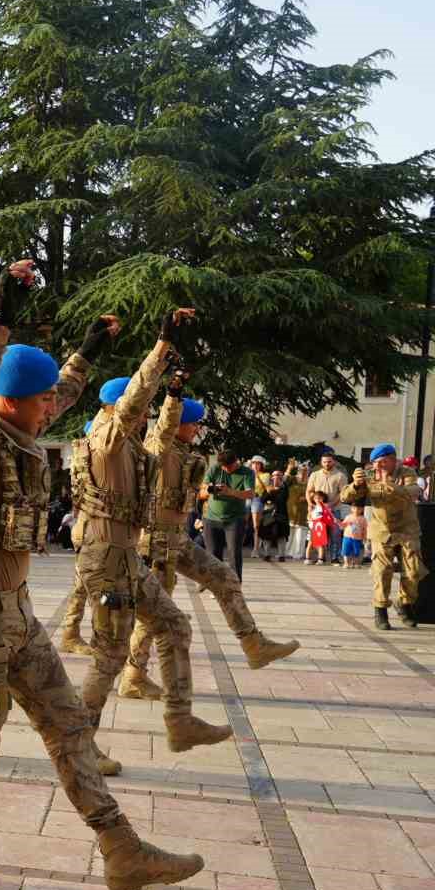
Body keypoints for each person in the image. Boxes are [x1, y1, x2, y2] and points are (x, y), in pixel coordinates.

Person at [0, 260, 202, 890]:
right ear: (6, 396)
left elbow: (69, 388)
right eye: (41, 399)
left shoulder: (21, 432)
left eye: (51, 398)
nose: (54, 407)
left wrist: (123, 350)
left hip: (15, 615)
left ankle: (121, 850)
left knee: (69, 725)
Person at [70, 320, 236, 758]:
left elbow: (160, 433)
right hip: (105, 558)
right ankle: (81, 744)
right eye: (136, 409)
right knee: (108, 653)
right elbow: (133, 405)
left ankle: (179, 721)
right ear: (116, 407)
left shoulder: (129, 446)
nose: (143, 415)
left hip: (126, 556)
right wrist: (160, 350)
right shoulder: (104, 440)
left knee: (174, 625)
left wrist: (175, 394)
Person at [119, 388, 298, 700]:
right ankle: (133, 676)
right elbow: (162, 427)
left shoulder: (184, 453)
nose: (197, 429)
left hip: (178, 539)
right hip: (157, 544)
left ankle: (253, 645)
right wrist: (173, 394)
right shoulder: (158, 447)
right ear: (177, 423)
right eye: (193, 423)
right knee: (154, 615)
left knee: (224, 577)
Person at [342, 444, 426, 628]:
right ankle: (380, 610)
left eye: (381, 462)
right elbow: (345, 497)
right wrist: (356, 485)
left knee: (413, 572)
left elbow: (413, 492)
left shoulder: (406, 472)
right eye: (374, 463)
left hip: (407, 530)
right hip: (382, 530)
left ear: (392, 459)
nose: (377, 467)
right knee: (382, 571)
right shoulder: (370, 474)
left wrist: (388, 485)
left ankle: (404, 604)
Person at [200, 451, 254, 580]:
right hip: (211, 518)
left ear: (236, 462)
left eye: (228, 467)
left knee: (234, 553)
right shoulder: (215, 469)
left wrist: (230, 492)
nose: (225, 469)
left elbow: (250, 494)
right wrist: (210, 489)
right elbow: (202, 488)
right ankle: (217, 585)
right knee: (213, 554)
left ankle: (235, 585)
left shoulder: (247, 472)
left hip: (235, 519)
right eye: (223, 466)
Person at [306, 453, 348, 563]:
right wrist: (310, 505)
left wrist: (331, 504)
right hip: (318, 510)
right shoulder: (314, 475)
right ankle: (321, 557)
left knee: (335, 534)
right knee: (319, 533)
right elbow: (309, 491)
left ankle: (335, 558)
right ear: (321, 462)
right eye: (324, 462)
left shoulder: (340, 476)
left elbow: (343, 493)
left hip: (334, 510)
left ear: (333, 461)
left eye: (329, 461)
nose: (327, 464)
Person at [307, 492, 335, 564]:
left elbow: (329, 516)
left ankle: (320, 559)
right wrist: (310, 519)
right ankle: (307, 558)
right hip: (313, 528)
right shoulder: (313, 507)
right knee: (310, 543)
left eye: (320, 498)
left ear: (323, 498)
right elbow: (309, 517)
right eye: (316, 498)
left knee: (321, 544)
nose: (318, 500)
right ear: (314, 499)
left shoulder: (326, 506)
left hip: (322, 528)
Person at [342, 504, 368, 568]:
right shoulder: (348, 517)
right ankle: (346, 563)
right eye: (354, 508)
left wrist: (364, 537)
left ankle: (356, 563)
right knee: (345, 551)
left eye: (359, 509)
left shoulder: (363, 519)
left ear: (362, 510)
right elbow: (343, 525)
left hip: (357, 538)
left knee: (356, 551)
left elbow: (365, 529)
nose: (356, 510)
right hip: (347, 537)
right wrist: (341, 523)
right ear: (351, 509)